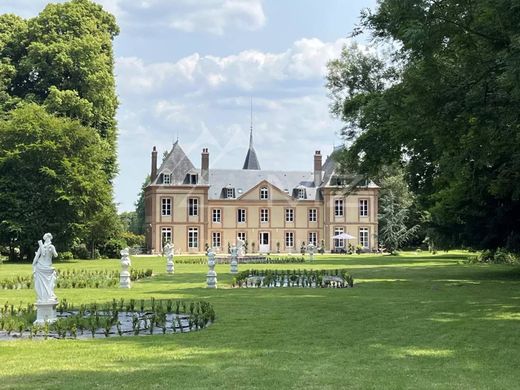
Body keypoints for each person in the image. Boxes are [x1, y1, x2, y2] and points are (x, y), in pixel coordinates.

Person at [32, 233, 58, 303]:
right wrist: (33, 264)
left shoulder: (51, 247)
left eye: (47, 238)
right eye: (45, 239)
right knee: (40, 283)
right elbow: (37, 256)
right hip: (40, 266)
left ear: (49, 238)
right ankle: (43, 297)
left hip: (47, 267)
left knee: (49, 283)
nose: (46, 240)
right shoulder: (42, 246)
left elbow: (56, 255)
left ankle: (49, 296)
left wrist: (52, 250)